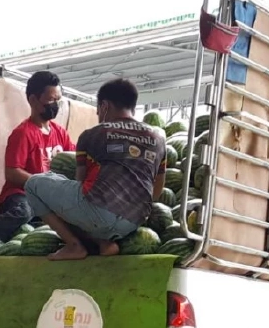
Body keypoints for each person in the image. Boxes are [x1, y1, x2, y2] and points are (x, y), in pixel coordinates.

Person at [23, 78, 166, 260]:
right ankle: (103, 243)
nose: (98, 113)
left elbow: (81, 182)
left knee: (32, 184)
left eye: (98, 109)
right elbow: (158, 188)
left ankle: (75, 245)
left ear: (105, 106)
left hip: (98, 213)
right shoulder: (158, 138)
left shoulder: (94, 134)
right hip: (134, 222)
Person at [0, 70, 72, 253]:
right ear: (33, 100)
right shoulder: (23, 133)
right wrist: (43, 184)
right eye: (51, 100)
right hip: (21, 196)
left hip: (49, 200)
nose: (56, 105)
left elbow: (74, 158)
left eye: (58, 100)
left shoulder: (60, 133)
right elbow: (12, 172)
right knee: (25, 211)